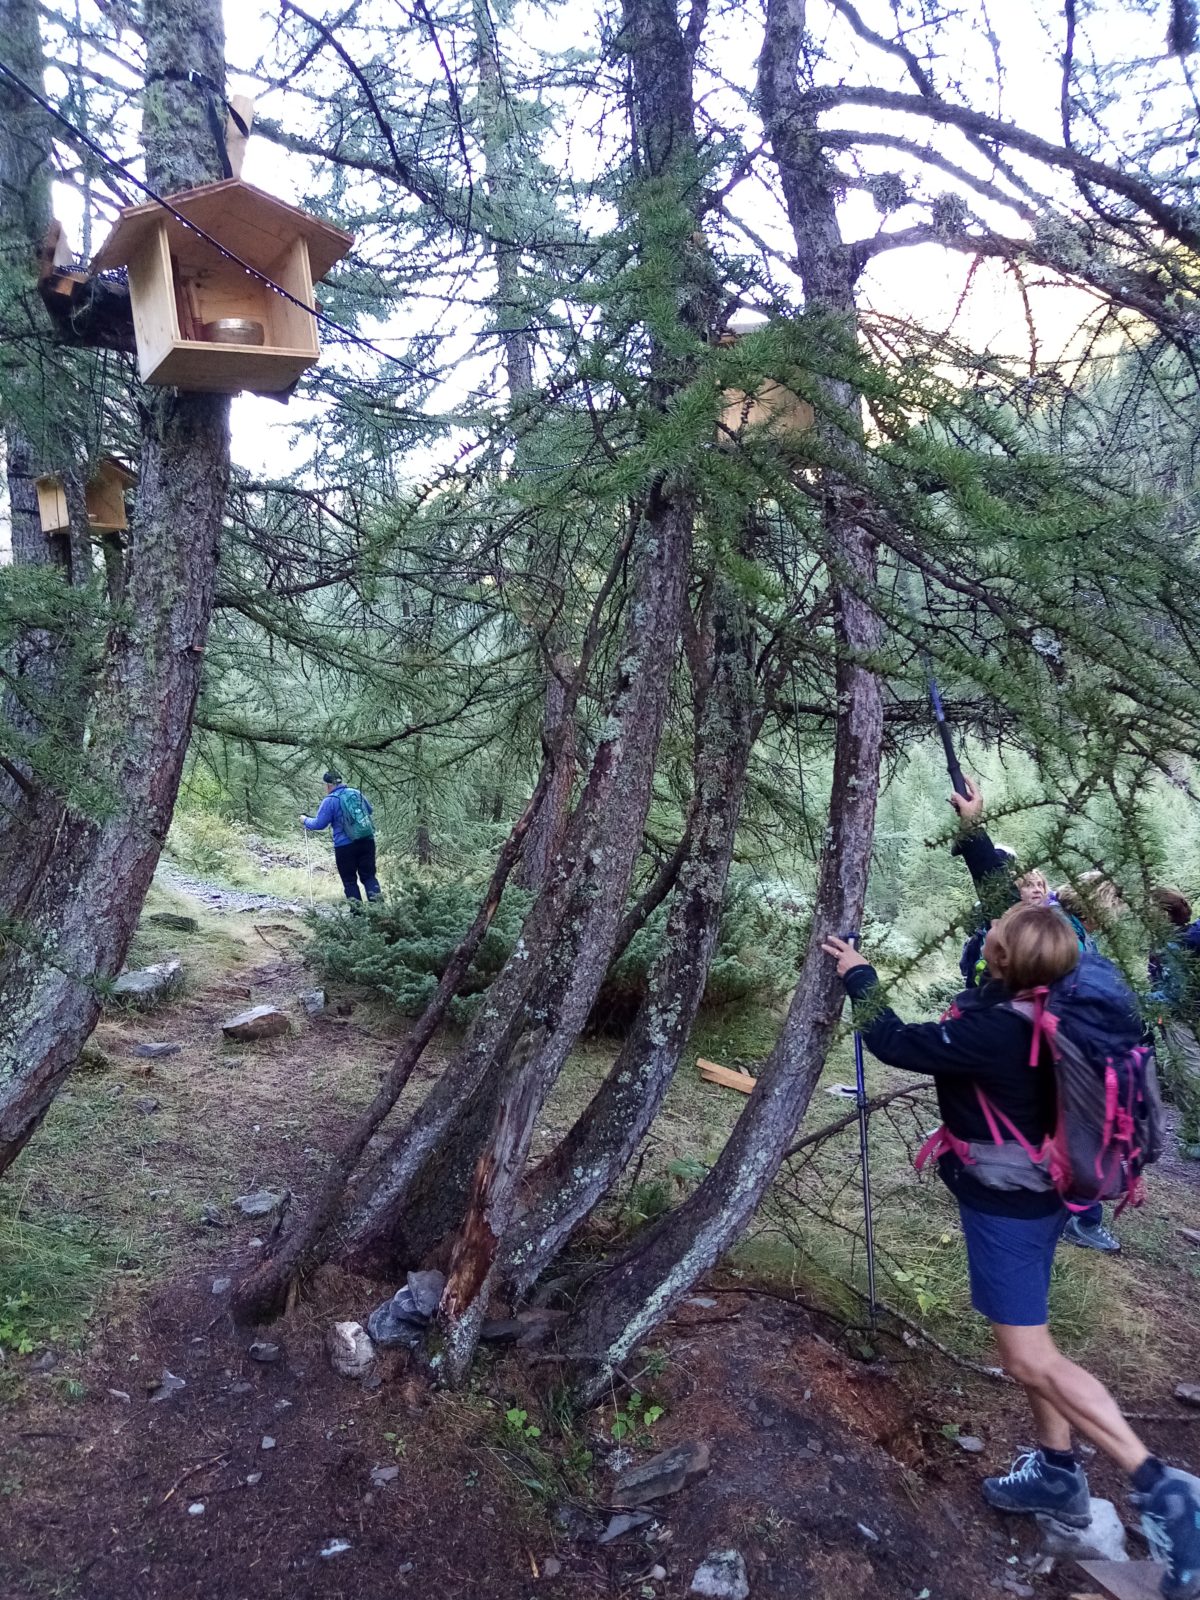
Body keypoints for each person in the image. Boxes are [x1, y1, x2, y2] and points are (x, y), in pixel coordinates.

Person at [822, 907, 1200, 1599]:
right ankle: (1058, 1473)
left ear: (999, 962)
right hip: (1050, 1189)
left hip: (1008, 1210)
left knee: (1029, 1356)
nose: (986, 936)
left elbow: (894, 1042)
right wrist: (974, 839)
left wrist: (858, 973)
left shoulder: (996, 1029)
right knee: (1032, 1338)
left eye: (993, 939)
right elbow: (1024, 925)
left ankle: (1162, 1489)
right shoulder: (1066, 985)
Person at [949, 778, 1119, 1253]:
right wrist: (973, 828)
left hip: (1054, 1058)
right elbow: (998, 894)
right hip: (1063, 1059)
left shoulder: (1063, 935)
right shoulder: (1070, 939)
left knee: (1057, 1127)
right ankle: (1078, 1211)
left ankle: (1075, 1209)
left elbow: (998, 896)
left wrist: (973, 826)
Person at [1148, 887, 1200, 1158]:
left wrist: (1138, 997)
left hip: (1182, 1018)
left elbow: (1175, 990)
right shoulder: (1175, 939)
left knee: (1188, 1072)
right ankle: (1193, 1133)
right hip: (1181, 1017)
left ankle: (1196, 1137)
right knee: (1175, 1069)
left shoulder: (1174, 944)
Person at [302, 769, 381, 905]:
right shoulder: (356, 793)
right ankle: (380, 913)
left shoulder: (330, 800)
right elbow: (369, 810)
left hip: (344, 846)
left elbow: (319, 824)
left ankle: (357, 916)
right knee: (369, 877)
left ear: (328, 785)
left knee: (350, 881)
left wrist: (304, 820)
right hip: (367, 841)